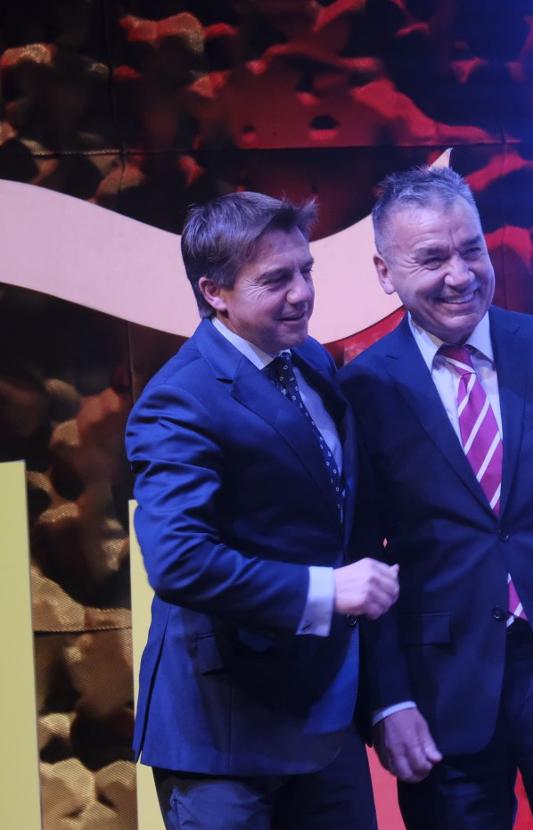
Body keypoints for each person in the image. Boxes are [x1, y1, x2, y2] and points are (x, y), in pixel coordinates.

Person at [340, 166, 533, 830]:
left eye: (471, 248)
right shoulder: (363, 388)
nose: (461, 273)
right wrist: (389, 703)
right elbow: (364, 558)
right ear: (384, 271)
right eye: (433, 258)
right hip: (442, 692)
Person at [126, 191, 400, 829]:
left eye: (306, 270)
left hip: (325, 720)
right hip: (223, 731)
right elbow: (180, 562)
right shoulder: (180, 401)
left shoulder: (307, 357)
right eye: (276, 279)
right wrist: (329, 590)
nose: (303, 292)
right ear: (214, 292)